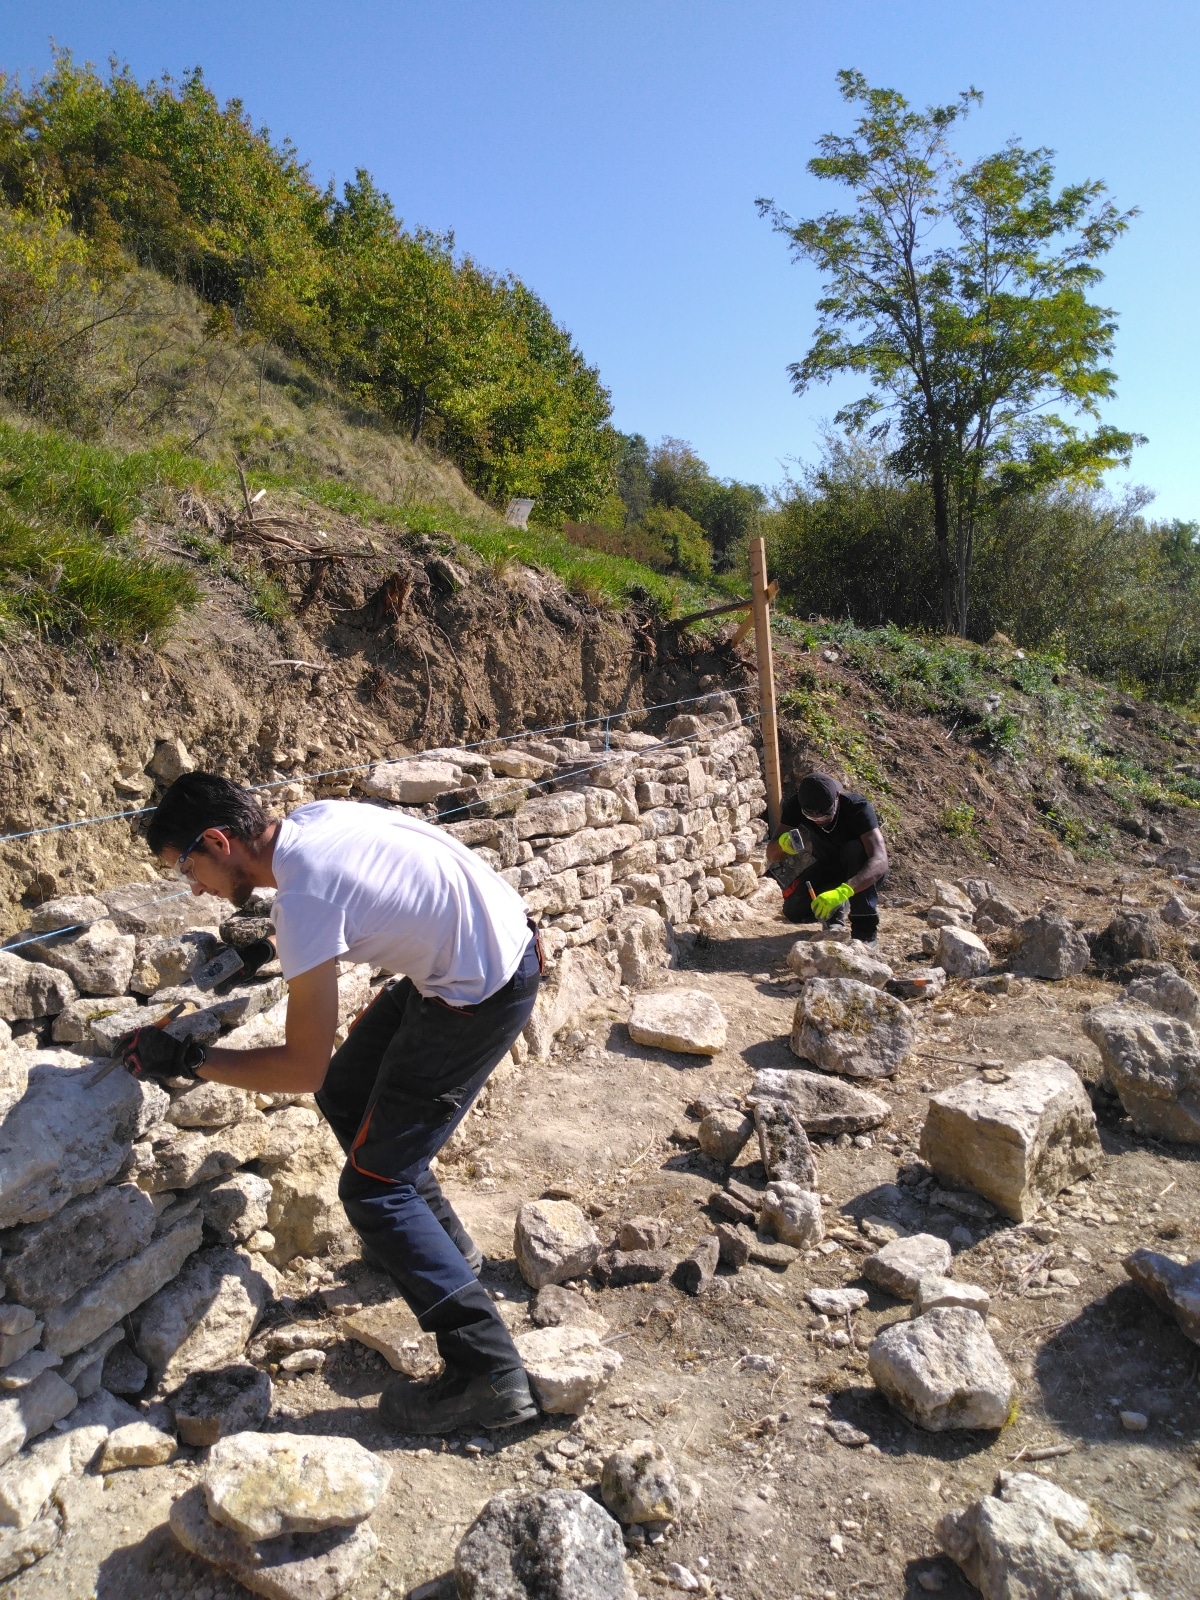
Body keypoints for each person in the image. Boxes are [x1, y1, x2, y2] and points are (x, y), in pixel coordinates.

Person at [115, 772, 543, 1436]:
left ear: (220, 841)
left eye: (187, 868)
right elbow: (364, 900)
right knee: (348, 1090)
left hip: (480, 990)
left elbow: (300, 1066)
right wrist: (279, 942)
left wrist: (188, 1058)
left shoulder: (304, 899)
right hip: (494, 943)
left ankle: (490, 1375)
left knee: (374, 1189)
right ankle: (442, 1251)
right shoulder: (310, 823)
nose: (193, 888)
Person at [766, 771, 888, 943]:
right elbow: (771, 855)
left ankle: (865, 931)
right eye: (811, 817)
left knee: (854, 849)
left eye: (825, 815)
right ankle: (833, 915)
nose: (818, 821)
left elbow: (880, 860)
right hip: (830, 867)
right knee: (794, 911)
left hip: (861, 870)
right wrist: (782, 845)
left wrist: (844, 891)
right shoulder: (796, 805)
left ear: (836, 798)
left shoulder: (857, 808)